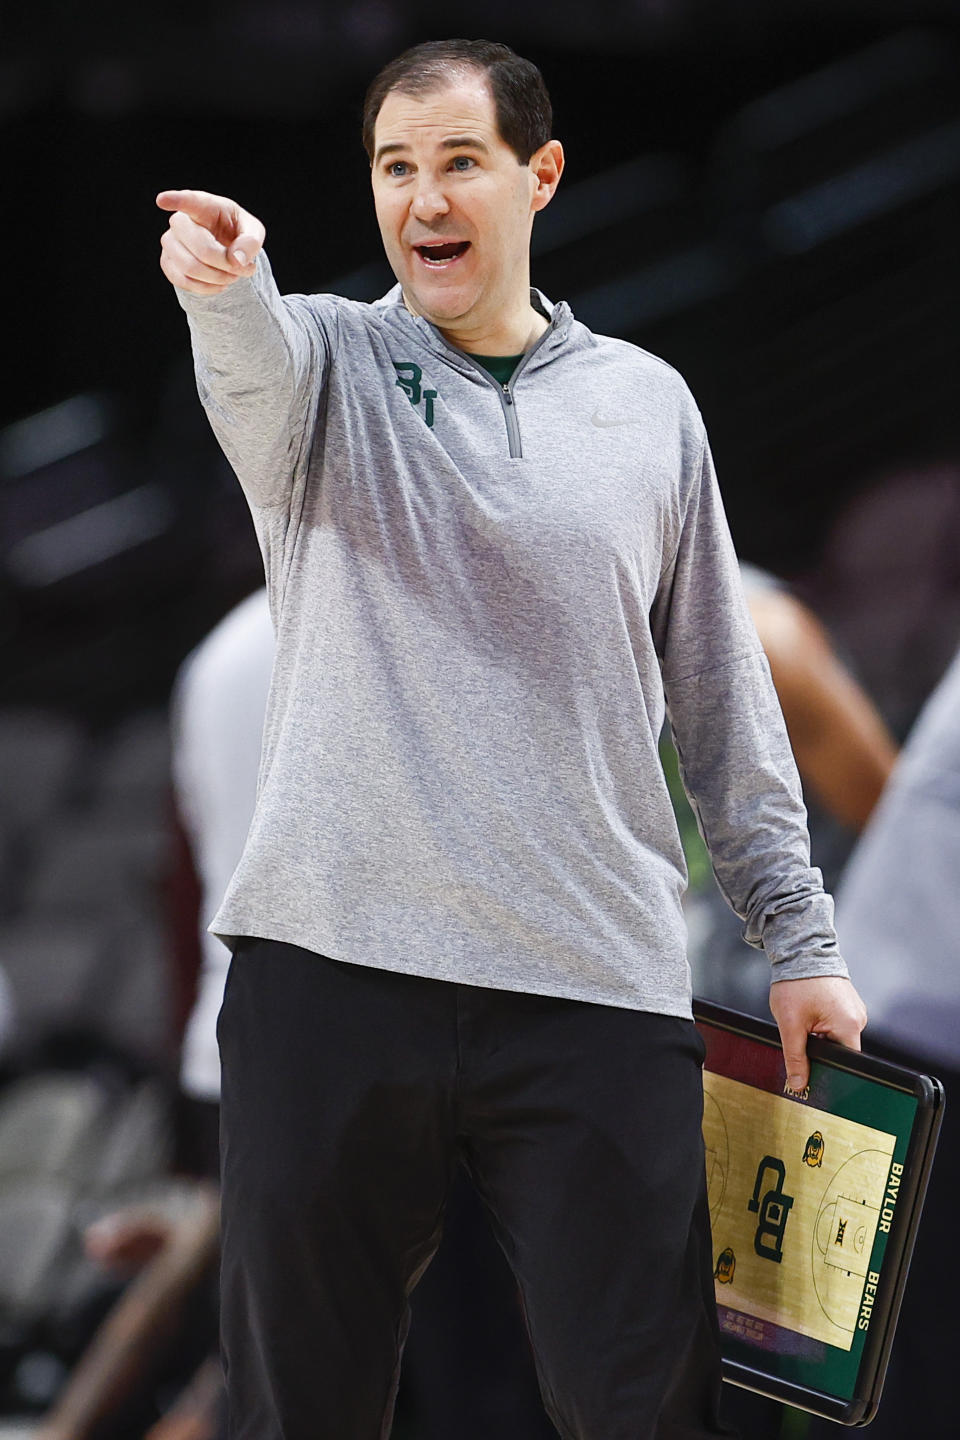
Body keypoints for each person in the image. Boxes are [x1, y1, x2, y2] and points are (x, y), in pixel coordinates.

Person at [155, 38, 866, 1440]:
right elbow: (249, 362)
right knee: (298, 1408)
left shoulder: (649, 405)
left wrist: (802, 943)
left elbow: (722, 699)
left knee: (648, 1410)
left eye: (458, 162)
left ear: (538, 177)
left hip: (592, 990)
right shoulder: (328, 363)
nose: (423, 195)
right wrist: (228, 291)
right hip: (333, 975)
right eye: (394, 167)